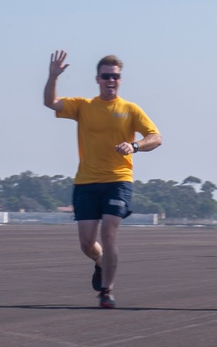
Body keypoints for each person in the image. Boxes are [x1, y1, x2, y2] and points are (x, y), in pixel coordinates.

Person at [43, 50, 161, 308]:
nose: (111, 80)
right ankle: (99, 262)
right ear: (97, 79)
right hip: (86, 182)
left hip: (119, 180)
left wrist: (135, 146)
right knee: (87, 243)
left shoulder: (130, 109)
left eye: (115, 77)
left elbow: (156, 137)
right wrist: (53, 77)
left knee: (109, 232)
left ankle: (106, 291)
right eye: (106, 76)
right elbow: (51, 102)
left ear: (120, 80)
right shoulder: (84, 106)